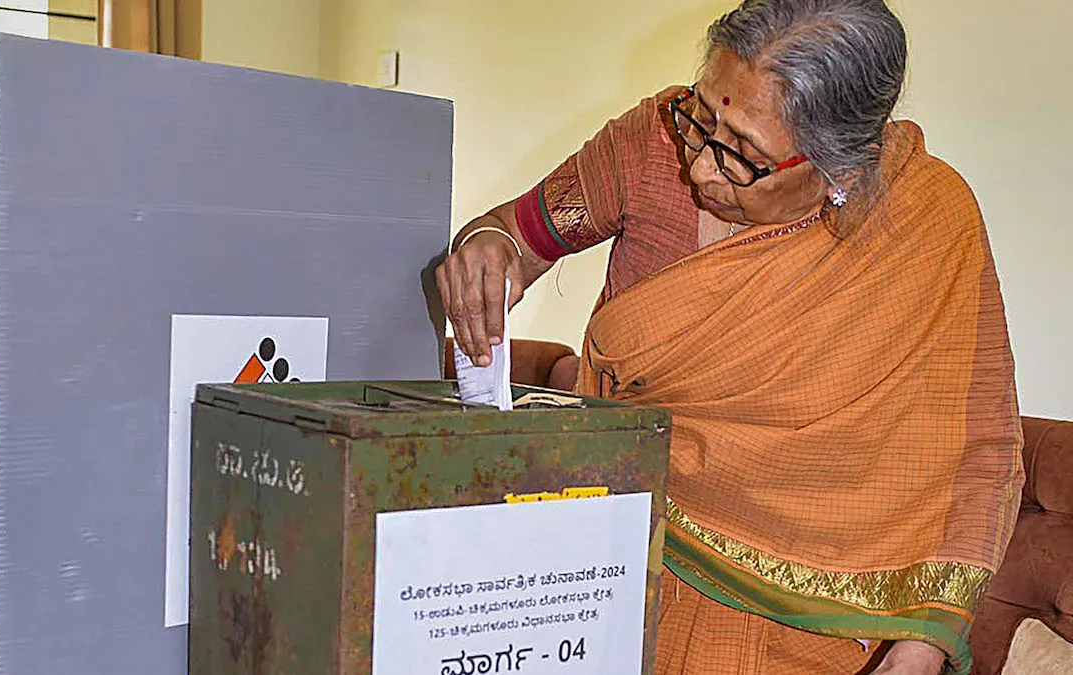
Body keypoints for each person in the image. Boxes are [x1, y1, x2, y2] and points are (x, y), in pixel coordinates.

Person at [436, 1, 1025, 673]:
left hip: (827, 640)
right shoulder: (651, 143)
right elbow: (517, 233)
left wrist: (922, 643)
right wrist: (488, 245)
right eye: (702, 119)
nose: (701, 169)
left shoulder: (927, 222)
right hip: (621, 583)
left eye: (743, 154)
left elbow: (981, 450)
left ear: (843, 174)